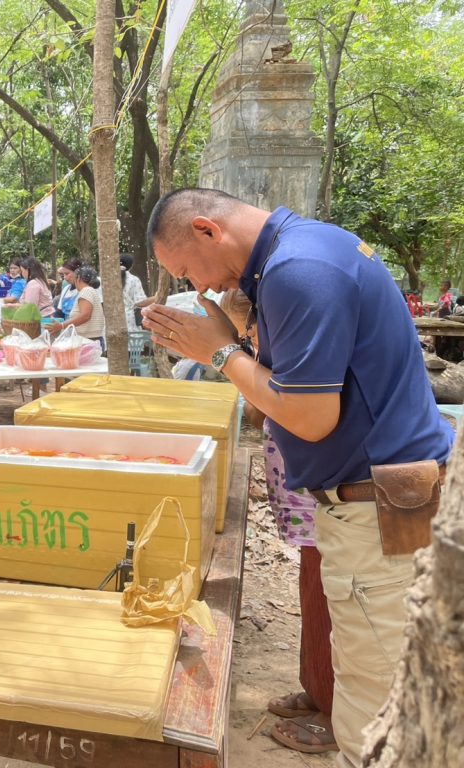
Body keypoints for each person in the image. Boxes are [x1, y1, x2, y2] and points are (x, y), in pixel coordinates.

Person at [142, 188, 453, 768]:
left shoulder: (297, 268)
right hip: (388, 499)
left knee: (379, 710)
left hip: (379, 512)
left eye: (187, 271)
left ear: (208, 229)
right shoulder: (306, 250)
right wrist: (233, 340)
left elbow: (310, 416)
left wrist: (220, 354)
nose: (199, 286)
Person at [218, 289, 336, 754]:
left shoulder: (305, 357)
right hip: (307, 512)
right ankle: (318, 688)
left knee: (331, 603)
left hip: (329, 504)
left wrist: (232, 356)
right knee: (314, 595)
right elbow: (257, 412)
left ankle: (336, 712)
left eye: (249, 335)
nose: (249, 344)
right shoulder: (270, 362)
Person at [50, 265, 105, 348]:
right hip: (90, 339)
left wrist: (62, 325)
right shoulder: (90, 291)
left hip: (88, 340)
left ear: (78, 279)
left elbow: (85, 316)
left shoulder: (86, 291)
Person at [120, 252, 148, 332]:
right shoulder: (133, 280)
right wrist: (156, 297)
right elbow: (140, 302)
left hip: (112, 320)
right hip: (129, 320)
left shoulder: (109, 280)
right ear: (131, 266)